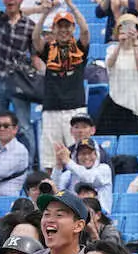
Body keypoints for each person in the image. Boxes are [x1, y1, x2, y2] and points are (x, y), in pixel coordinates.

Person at [32, 2, 89, 171]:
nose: (64, 30)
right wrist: (45, 13)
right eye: (60, 26)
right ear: (54, 29)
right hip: (52, 109)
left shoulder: (79, 49)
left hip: (75, 108)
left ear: (72, 28)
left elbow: (85, 31)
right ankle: (51, 185)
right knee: (50, 158)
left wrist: (71, 5)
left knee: (78, 154)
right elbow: (35, 38)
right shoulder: (48, 49)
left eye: (67, 26)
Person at [0, 0, 36, 158]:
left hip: (18, 82)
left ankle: (28, 165)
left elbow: (35, 56)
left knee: (24, 125)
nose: (10, 1)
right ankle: (1, 160)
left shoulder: (29, 26)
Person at [98, 14, 138, 136]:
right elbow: (109, 64)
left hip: (134, 103)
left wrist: (135, 45)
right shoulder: (112, 49)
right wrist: (120, 45)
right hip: (114, 101)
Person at [54, 138, 112, 207]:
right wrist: (58, 165)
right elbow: (57, 189)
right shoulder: (69, 174)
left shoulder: (104, 169)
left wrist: (68, 161)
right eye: (82, 154)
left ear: (96, 155)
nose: (86, 157)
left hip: (100, 212)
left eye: (90, 153)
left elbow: (88, 178)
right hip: (75, 212)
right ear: (76, 156)